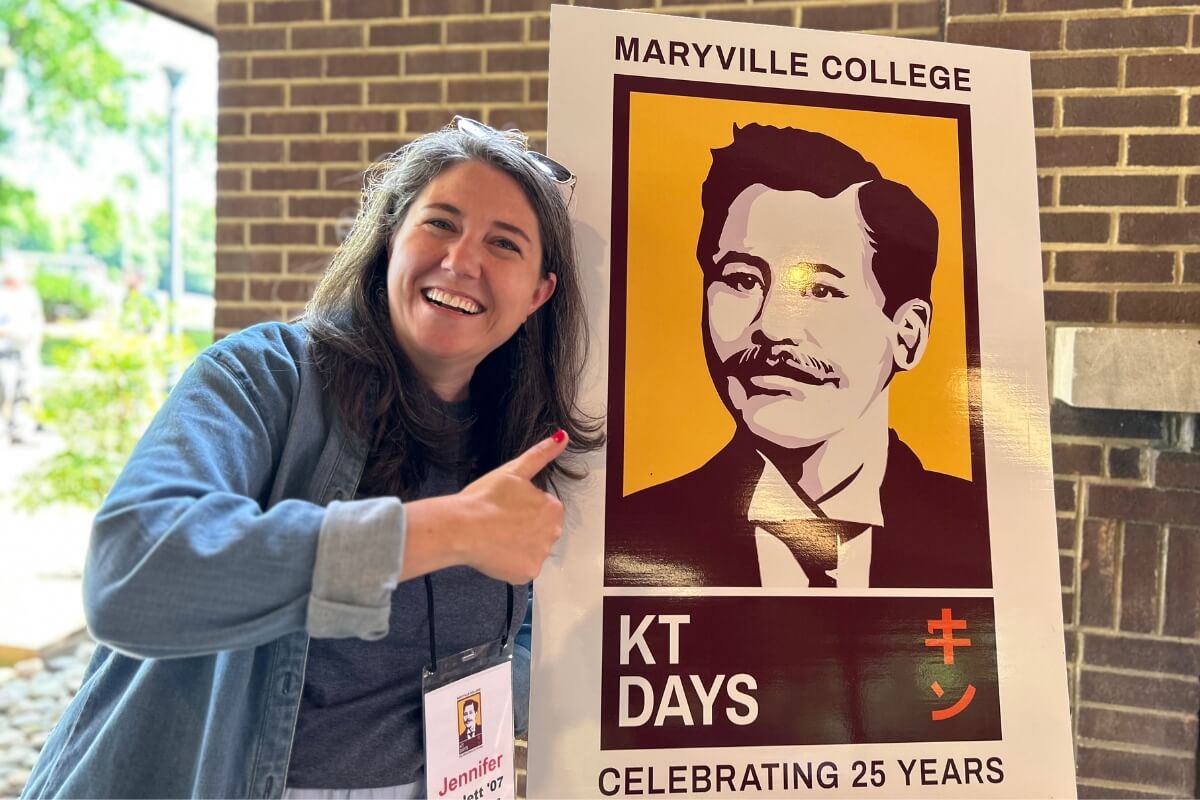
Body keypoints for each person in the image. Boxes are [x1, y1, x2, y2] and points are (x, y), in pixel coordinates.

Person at [23, 118, 602, 799]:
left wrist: (511, 692)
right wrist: (447, 530)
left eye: (504, 243)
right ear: (390, 239)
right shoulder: (263, 376)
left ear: (538, 294)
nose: (461, 260)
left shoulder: (518, 437)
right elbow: (131, 574)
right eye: (440, 224)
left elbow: (523, 624)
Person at [606, 123, 989, 589]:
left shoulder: (985, 537)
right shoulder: (626, 536)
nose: (772, 327)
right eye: (743, 280)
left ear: (907, 335)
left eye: (820, 290)